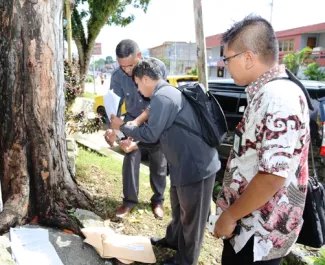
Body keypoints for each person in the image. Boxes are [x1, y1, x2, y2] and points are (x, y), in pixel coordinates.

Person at [214, 16, 310, 265]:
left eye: (227, 58)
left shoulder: (278, 98)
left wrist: (230, 216)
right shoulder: (267, 93)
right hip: (247, 227)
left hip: (257, 234)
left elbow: (272, 176)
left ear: (247, 57)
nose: (224, 64)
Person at [110, 58, 220, 265]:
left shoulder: (163, 97)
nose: (138, 89)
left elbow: (151, 134)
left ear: (145, 78)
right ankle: (172, 240)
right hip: (182, 164)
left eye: (137, 84)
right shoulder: (165, 93)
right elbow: (158, 132)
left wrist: (123, 125)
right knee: (179, 208)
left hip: (197, 166)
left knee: (193, 219)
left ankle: (186, 260)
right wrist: (136, 140)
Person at [104, 39, 168, 219]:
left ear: (140, 56)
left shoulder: (157, 68)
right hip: (132, 120)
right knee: (131, 159)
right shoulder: (117, 75)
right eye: (122, 66)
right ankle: (129, 201)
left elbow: (158, 102)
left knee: (159, 163)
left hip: (154, 120)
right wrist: (112, 129)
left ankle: (158, 200)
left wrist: (135, 126)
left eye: (130, 65)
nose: (127, 70)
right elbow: (114, 105)